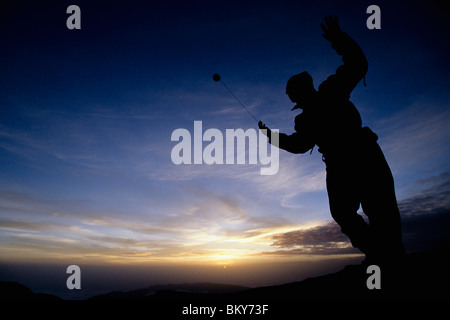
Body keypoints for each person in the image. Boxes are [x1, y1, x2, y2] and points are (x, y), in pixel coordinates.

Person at [259, 16, 405, 264]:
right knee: (348, 212)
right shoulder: (307, 117)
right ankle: (381, 254)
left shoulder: (331, 90)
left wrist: (339, 38)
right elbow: (299, 144)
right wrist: (271, 136)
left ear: (300, 92)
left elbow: (357, 64)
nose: (292, 99)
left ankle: (388, 257)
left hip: (361, 155)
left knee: (380, 210)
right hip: (344, 162)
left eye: (292, 94)